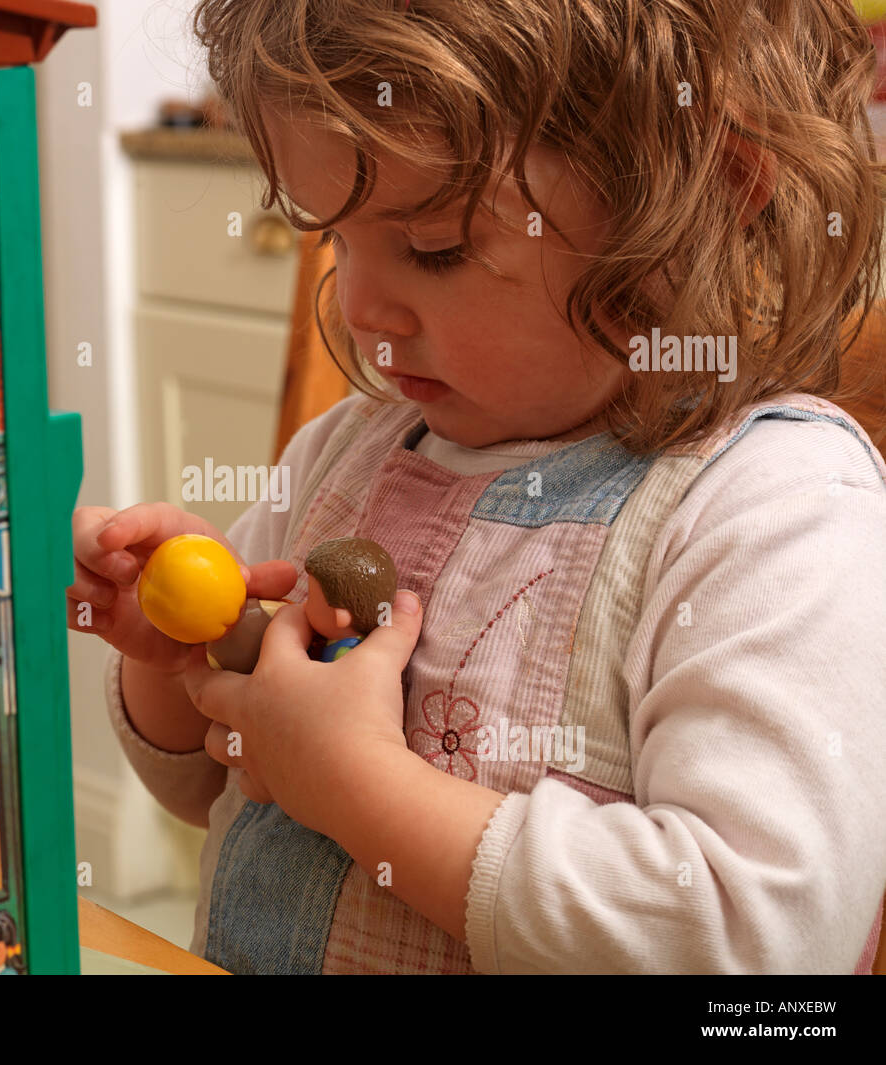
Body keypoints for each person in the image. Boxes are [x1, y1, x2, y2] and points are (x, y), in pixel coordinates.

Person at [68, 0, 886, 974]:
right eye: (333, 238)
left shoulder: (774, 510)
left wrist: (355, 783)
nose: (363, 305)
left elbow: (754, 944)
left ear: (708, 192)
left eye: (435, 247)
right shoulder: (344, 453)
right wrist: (180, 658)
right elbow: (211, 790)